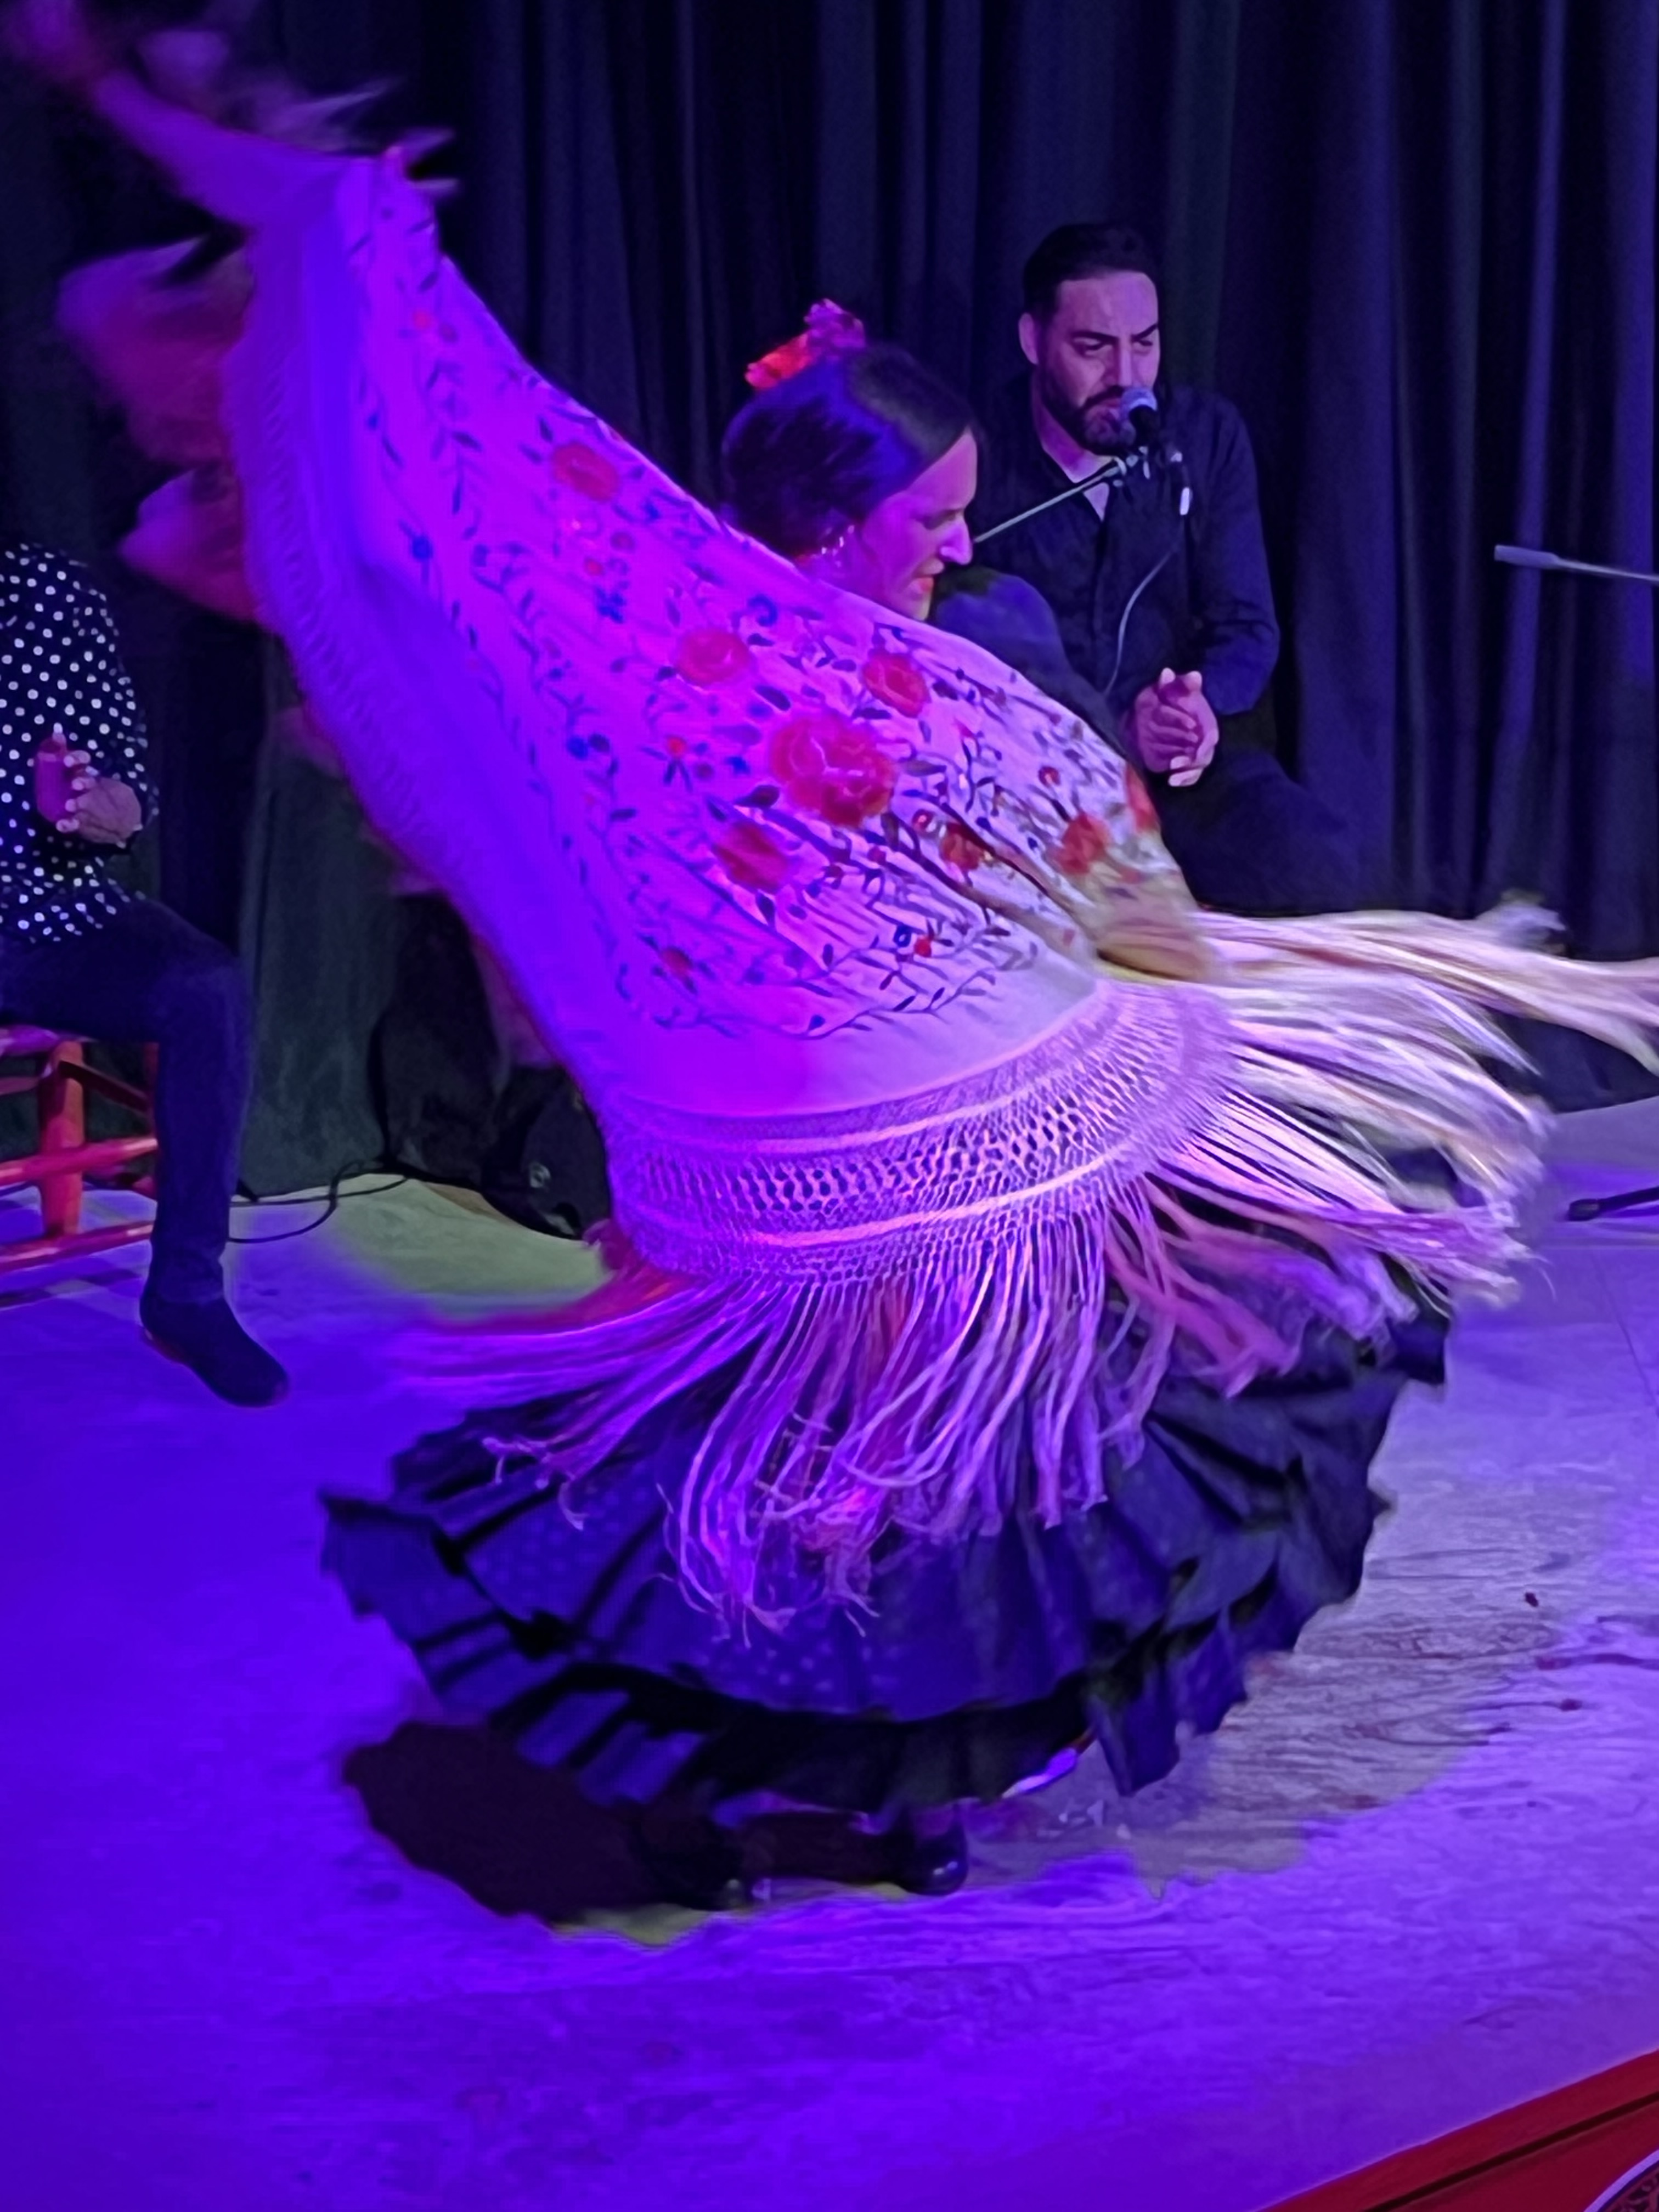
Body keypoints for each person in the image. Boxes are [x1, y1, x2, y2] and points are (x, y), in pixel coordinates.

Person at [15, 3, 1659, 1906]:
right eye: (928, 520)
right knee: (797, 1462)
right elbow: (353, 293)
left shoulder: (909, 661)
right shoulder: (671, 649)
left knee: (906, 1459)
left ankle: (871, 1785)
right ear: (821, 515)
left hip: (842, 1144)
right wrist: (143, 107)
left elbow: (1071, 838)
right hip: (770, 1140)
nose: (956, 545)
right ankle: (725, 1780)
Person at [962, 221, 1359, 918]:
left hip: (1181, 777)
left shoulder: (1202, 437)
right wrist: (1114, 731)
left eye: (1144, 345)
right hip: (1034, 778)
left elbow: (1246, 626)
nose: (1126, 378)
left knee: (1319, 867)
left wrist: (1196, 711)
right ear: (1034, 341)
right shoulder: (976, 453)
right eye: (1093, 348)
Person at [0, 534, 285, 1406]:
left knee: (205, 989)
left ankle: (186, 1294)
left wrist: (102, 807)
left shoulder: (48, 590)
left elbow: (127, 789)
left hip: (53, 915)